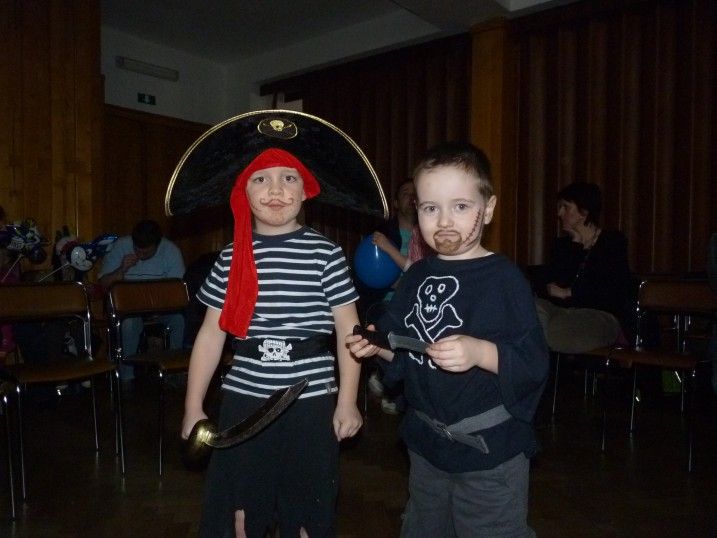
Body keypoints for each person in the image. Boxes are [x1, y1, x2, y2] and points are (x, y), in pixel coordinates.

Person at [348, 141, 549, 537]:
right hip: (427, 447)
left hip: (489, 453)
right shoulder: (416, 277)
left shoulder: (504, 279)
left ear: (487, 209)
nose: (443, 221)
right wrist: (378, 347)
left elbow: (532, 362)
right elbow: (405, 354)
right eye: (430, 208)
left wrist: (480, 352)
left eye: (460, 206)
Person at [181, 147, 363, 537]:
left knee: (308, 505)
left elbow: (350, 331)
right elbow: (211, 335)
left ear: (305, 191)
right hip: (243, 400)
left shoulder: (326, 254)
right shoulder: (230, 258)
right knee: (242, 508)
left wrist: (347, 401)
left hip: (311, 400)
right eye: (260, 179)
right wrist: (193, 406)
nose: (276, 189)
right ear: (242, 192)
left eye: (289, 178)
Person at [534, 182, 631, 354]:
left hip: (598, 315)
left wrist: (569, 293)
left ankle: (539, 349)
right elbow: (553, 283)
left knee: (551, 330)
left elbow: (610, 289)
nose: (559, 213)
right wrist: (576, 245)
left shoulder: (612, 242)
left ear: (584, 212)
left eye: (565, 207)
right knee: (533, 308)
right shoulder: (562, 245)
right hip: (562, 312)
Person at [98, 219, 185, 381]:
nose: (140, 255)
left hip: (161, 309)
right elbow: (103, 284)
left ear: (157, 245)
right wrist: (122, 269)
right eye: (137, 250)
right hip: (128, 310)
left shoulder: (171, 251)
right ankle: (126, 378)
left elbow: (176, 293)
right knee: (129, 323)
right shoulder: (120, 247)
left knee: (178, 319)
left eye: (146, 253)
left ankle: (173, 373)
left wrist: (158, 307)